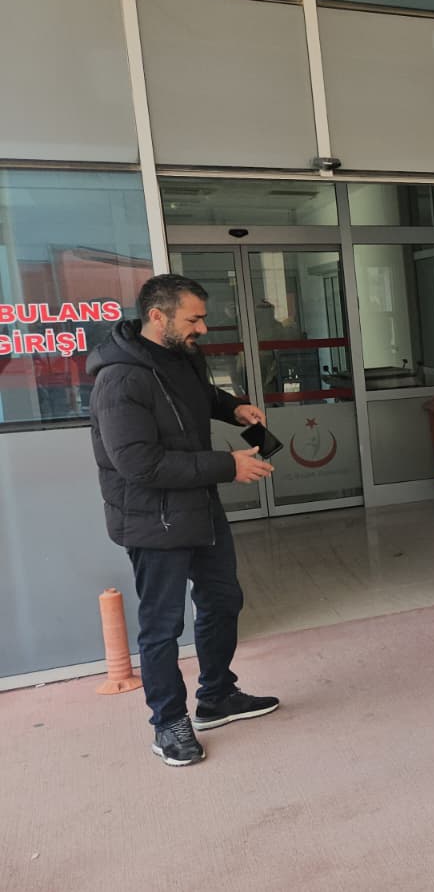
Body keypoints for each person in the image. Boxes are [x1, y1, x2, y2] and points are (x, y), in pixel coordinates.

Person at [87, 274, 281, 767]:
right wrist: (227, 466)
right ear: (158, 316)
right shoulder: (120, 379)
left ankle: (217, 696)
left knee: (223, 599)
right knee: (163, 625)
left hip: (197, 506)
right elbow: (140, 464)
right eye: (193, 318)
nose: (203, 327)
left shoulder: (183, 357)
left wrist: (234, 408)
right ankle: (168, 722)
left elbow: (200, 398)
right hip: (153, 520)